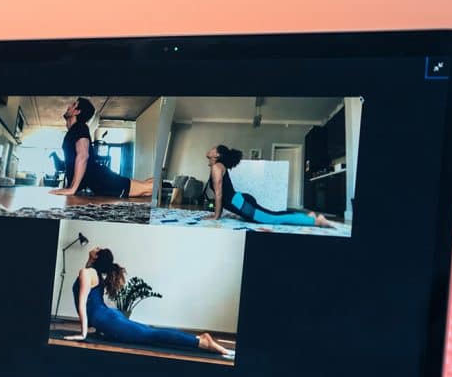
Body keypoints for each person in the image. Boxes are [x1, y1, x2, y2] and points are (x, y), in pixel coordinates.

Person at [66, 247, 233, 357]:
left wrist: (83, 334)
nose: (94, 248)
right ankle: (199, 338)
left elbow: (82, 304)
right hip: (110, 318)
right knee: (150, 331)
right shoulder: (90, 273)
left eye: (96, 249)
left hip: (110, 322)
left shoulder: (87, 273)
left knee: (151, 335)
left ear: (96, 257)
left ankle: (202, 342)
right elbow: (87, 289)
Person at [204, 145, 334, 227]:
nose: (210, 148)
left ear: (216, 155)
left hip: (240, 203)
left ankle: (315, 221)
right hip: (239, 201)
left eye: (213, 148)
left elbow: (219, 194)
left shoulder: (216, 167)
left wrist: (216, 216)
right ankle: (307, 217)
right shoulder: (218, 167)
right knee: (272, 214)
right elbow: (220, 194)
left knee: (272, 218)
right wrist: (218, 214)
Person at [50, 97, 154, 198]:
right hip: (99, 180)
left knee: (147, 188)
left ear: (77, 112)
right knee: (145, 189)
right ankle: (164, 183)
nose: (69, 106)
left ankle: (167, 187)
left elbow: (83, 155)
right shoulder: (75, 130)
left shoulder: (80, 127)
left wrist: (72, 189)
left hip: (102, 180)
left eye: (73, 105)